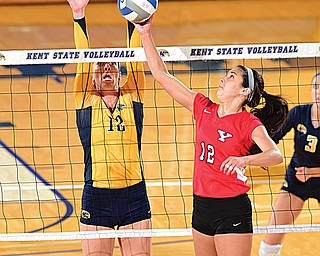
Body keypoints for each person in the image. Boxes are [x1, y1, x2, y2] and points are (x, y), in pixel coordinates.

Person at [134, 15, 289, 256]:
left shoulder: (248, 122)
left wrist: (244, 160)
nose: (223, 79)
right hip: (201, 207)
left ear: (244, 91)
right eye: (226, 75)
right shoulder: (203, 107)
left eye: (231, 77)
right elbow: (162, 75)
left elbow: (275, 155)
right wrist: (145, 34)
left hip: (231, 210)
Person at [67, 0, 151, 255]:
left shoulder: (133, 95)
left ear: (119, 73)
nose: (105, 69)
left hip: (134, 195)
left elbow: (135, 55)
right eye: (100, 67)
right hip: (97, 196)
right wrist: (78, 14)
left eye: (111, 66)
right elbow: (83, 59)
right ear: (91, 77)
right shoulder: (85, 100)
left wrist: (135, 18)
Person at [259, 73, 320, 256]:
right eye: (316, 86)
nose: (319, 92)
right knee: (272, 237)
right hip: (297, 182)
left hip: (313, 175)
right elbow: (272, 139)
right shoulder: (299, 113)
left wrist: (311, 172)